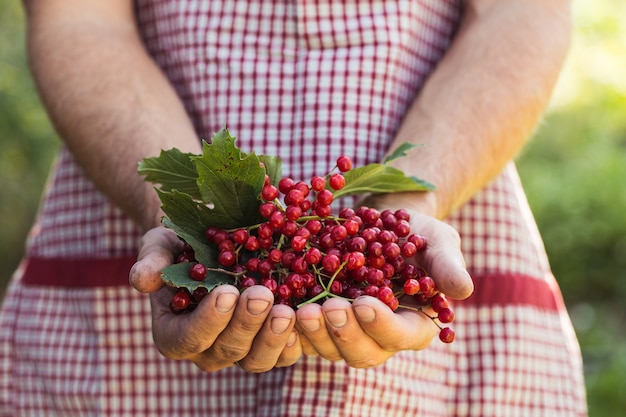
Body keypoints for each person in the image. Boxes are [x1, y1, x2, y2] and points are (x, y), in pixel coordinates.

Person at [0, 0, 587, 415]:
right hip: (136, 221)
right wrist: (181, 212)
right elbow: (80, 18)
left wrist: (409, 199)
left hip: (447, 179)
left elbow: (523, 10)